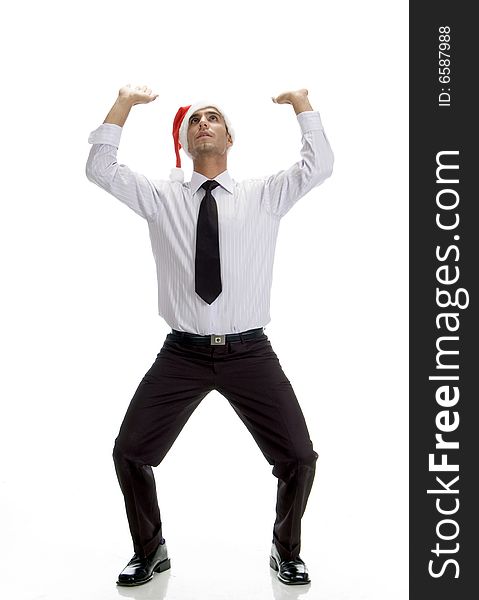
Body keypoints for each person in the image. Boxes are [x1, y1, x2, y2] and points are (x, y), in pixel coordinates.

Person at [85, 84, 334, 587]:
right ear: (184, 139)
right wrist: (124, 104)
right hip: (182, 354)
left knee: (298, 457)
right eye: (195, 119)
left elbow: (319, 165)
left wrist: (302, 104)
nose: (204, 123)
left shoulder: (264, 195)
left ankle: (285, 550)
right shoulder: (160, 198)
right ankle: (150, 550)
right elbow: (100, 168)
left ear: (229, 137)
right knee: (129, 452)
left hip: (250, 352)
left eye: (214, 117)